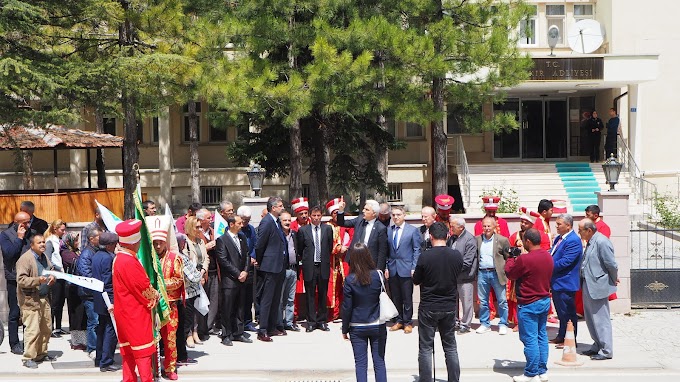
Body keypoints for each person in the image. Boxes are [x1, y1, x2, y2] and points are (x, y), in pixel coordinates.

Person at [413, 222, 464, 382]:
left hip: (429, 305)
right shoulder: (456, 255)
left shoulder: (425, 256)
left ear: (430, 236)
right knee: (450, 346)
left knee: (426, 348)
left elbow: (416, 280)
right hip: (449, 305)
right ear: (447, 236)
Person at [113, 219, 160, 382]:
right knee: (143, 354)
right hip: (136, 315)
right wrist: (157, 295)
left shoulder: (119, 258)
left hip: (124, 313)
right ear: (135, 242)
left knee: (128, 355)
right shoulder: (129, 261)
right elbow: (144, 289)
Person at [504, 228, 554, 382]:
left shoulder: (525, 259)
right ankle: (542, 371)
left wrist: (511, 257)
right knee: (541, 336)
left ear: (528, 241)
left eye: (524, 240)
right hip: (544, 300)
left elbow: (510, 273)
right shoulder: (547, 256)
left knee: (530, 339)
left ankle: (531, 373)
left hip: (529, 303)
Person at [341, 243, 387, 382]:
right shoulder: (378, 275)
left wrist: (344, 328)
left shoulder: (350, 280)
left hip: (357, 325)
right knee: (379, 362)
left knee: (360, 364)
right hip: (377, 323)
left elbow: (347, 307)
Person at [578, 219, 618, 361]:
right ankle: (597, 344)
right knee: (590, 318)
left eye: (580, 230)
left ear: (589, 230)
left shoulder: (602, 241)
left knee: (601, 319)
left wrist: (613, 279)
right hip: (588, 284)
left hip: (598, 285)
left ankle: (606, 350)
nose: (579, 232)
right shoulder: (591, 241)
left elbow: (611, 264)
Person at [16, 234, 56, 369]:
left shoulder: (44, 257)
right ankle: (28, 357)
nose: (43, 245)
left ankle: (41, 353)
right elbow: (21, 280)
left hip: (44, 298)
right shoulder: (25, 259)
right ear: (32, 245)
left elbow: (51, 270)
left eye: (44, 242)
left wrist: (52, 276)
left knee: (46, 328)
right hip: (30, 300)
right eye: (39, 243)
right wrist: (38, 280)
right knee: (33, 330)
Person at [254, 196, 288, 342]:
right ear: (273, 208)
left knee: (275, 299)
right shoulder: (267, 222)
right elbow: (260, 244)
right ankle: (262, 330)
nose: (282, 208)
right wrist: (261, 261)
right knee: (267, 299)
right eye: (280, 206)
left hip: (279, 266)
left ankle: (271, 326)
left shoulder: (276, 222)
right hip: (269, 266)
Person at [216, 214, 253, 346]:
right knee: (227, 308)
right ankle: (226, 334)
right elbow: (223, 260)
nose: (241, 225)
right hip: (230, 280)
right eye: (238, 223)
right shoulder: (222, 240)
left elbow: (247, 256)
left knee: (240, 307)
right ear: (231, 224)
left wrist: (245, 271)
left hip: (242, 279)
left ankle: (239, 332)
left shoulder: (242, 238)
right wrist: (237, 273)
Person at [0, 211, 33, 355]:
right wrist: (19, 238)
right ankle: (14, 343)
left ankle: (29, 342)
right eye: (25, 222)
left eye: (29, 221)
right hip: (14, 278)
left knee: (29, 312)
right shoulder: (5, 235)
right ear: (17, 222)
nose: (27, 225)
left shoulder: (32, 233)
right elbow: (9, 254)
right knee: (14, 312)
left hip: (30, 278)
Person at [385, 206, 421, 334]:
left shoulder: (412, 231)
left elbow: (417, 250)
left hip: (406, 268)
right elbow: (386, 251)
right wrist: (386, 267)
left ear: (404, 215)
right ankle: (399, 320)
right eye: (393, 215)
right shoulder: (388, 230)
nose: (396, 217)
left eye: (398, 214)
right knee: (396, 297)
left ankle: (408, 322)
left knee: (407, 297)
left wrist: (414, 267)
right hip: (393, 268)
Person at [297, 206, 333, 332]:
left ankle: (322, 320)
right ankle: (311, 321)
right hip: (310, 266)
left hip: (322, 265)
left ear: (321, 216)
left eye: (318, 216)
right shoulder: (303, 230)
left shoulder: (327, 229)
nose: (316, 218)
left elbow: (329, 246)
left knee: (323, 294)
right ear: (310, 216)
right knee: (310, 295)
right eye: (314, 216)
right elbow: (300, 248)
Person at [549, 214, 583, 347]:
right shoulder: (559, 238)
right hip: (557, 282)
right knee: (561, 313)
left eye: (559, 224)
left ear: (568, 226)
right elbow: (552, 254)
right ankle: (561, 335)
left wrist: (548, 266)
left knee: (568, 313)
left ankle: (570, 339)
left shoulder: (573, 240)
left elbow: (566, 261)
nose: (556, 226)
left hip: (565, 282)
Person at [475, 216, 510, 335]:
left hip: (497, 273)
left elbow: (507, 256)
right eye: (484, 226)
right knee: (483, 300)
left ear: (494, 226)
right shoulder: (478, 239)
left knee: (502, 300)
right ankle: (485, 323)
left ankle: (503, 323)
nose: (486, 228)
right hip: (482, 273)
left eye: (489, 226)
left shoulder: (502, 240)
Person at [91, 232, 120, 372]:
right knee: (110, 330)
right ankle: (106, 361)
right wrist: (112, 302)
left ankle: (99, 358)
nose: (116, 246)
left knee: (102, 329)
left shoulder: (96, 255)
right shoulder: (109, 258)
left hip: (99, 297)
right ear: (109, 245)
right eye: (115, 244)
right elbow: (108, 282)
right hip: (108, 298)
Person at [336, 199, 388, 271]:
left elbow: (382, 251)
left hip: (370, 263)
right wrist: (341, 210)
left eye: (367, 210)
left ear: (374, 213)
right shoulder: (360, 219)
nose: (363, 211)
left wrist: (379, 270)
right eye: (364, 208)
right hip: (355, 261)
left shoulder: (381, 228)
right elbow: (342, 223)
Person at [447, 216, 477, 334]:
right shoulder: (452, 238)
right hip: (453, 276)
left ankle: (466, 324)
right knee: (452, 301)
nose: (451, 228)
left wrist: (453, 270)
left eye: (453, 226)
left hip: (465, 276)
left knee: (466, 301)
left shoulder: (470, 239)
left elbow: (467, 261)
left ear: (461, 227)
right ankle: (455, 322)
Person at [174, 233, 200, 367]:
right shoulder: (180, 257)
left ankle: (180, 355)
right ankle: (180, 355)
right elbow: (193, 277)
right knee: (184, 326)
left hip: (183, 296)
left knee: (181, 327)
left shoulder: (176, 255)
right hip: (186, 296)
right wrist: (199, 273)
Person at [325, 198, 352, 322]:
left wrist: (346, 248)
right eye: (334, 213)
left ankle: (346, 313)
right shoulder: (327, 226)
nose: (337, 215)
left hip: (346, 261)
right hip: (332, 262)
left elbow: (353, 238)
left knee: (346, 288)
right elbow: (326, 243)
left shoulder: (348, 224)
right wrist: (337, 248)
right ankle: (333, 314)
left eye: (338, 212)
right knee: (332, 289)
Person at [184, 215, 209, 347]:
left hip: (201, 277)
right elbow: (184, 261)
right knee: (189, 309)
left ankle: (195, 332)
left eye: (200, 226)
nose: (200, 229)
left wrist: (203, 272)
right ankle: (188, 335)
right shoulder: (185, 242)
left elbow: (206, 259)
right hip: (189, 281)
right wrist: (195, 275)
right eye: (197, 227)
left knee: (198, 307)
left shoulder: (201, 242)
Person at [62, 232, 87, 351]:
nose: (78, 243)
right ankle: (76, 341)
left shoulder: (78, 252)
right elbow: (77, 263)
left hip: (80, 286)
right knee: (75, 314)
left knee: (83, 314)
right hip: (72, 288)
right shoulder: (66, 253)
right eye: (75, 240)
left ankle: (84, 340)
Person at [77, 228, 101, 359]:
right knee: (93, 321)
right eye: (99, 236)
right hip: (89, 293)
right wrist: (99, 281)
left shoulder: (97, 251)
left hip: (96, 292)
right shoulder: (87, 253)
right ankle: (92, 347)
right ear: (91, 239)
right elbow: (85, 272)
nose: (101, 239)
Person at [197, 208, 219, 339]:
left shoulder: (213, 232)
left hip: (215, 270)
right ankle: (201, 328)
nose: (211, 220)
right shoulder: (195, 232)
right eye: (208, 218)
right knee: (202, 302)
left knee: (214, 300)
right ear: (201, 219)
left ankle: (209, 327)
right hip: (202, 273)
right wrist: (206, 247)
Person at [44, 219, 67, 337]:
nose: (64, 232)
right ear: (55, 229)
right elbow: (47, 258)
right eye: (62, 230)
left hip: (62, 274)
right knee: (55, 302)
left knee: (61, 302)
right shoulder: (50, 241)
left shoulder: (60, 241)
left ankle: (58, 327)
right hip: (55, 275)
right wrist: (55, 269)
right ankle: (51, 328)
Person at [237, 206, 258, 332]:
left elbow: (255, 244)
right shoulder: (234, 228)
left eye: (248, 219)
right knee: (239, 296)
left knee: (249, 296)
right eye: (244, 219)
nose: (246, 222)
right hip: (238, 267)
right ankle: (238, 322)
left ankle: (248, 321)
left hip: (249, 266)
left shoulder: (250, 229)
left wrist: (253, 256)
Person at [279, 211, 301, 332]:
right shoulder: (277, 234)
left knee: (290, 298)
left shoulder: (295, 234)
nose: (287, 222)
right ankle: (279, 322)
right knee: (280, 298)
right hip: (282, 270)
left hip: (293, 269)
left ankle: (289, 322)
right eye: (284, 220)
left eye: (289, 220)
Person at [289, 197, 309, 323]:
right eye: (301, 213)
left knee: (312, 289)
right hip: (296, 264)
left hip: (311, 263)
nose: (304, 216)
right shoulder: (291, 226)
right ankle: (295, 315)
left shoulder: (313, 224)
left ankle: (311, 313)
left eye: (305, 213)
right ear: (296, 214)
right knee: (295, 290)